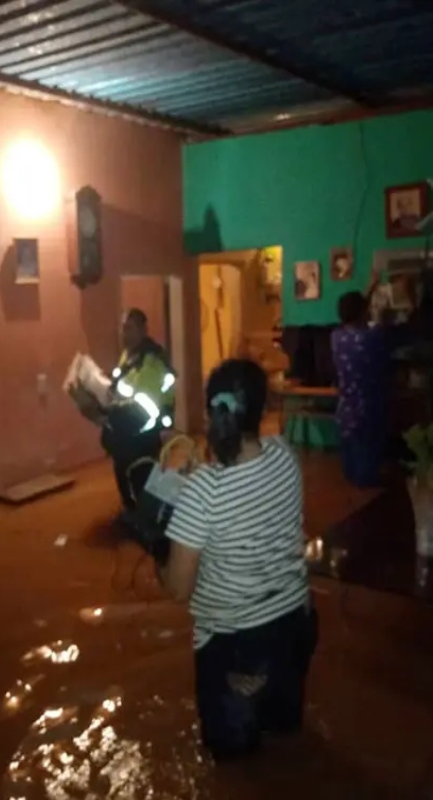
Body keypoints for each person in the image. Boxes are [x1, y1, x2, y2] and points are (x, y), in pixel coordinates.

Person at [159, 358, 316, 760]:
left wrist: (158, 544)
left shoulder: (200, 494)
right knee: (284, 734)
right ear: (263, 411)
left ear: (211, 411)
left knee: (234, 761)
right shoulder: (286, 455)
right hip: (296, 628)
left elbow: (178, 589)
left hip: (239, 651)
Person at [102, 309, 177, 512]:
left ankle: (158, 516)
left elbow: (148, 401)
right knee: (123, 470)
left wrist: (119, 407)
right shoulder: (128, 356)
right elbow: (123, 386)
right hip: (128, 426)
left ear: (143, 330)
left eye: (129, 328)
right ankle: (132, 510)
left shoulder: (152, 360)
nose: (123, 334)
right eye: (122, 328)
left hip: (145, 429)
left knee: (144, 477)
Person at [332, 263, 399, 487]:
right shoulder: (372, 337)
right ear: (363, 312)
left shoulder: (337, 336)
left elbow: (359, 318)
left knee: (351, 454)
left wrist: (370, 289)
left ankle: (355, 487)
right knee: (367, 462)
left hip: (346, 408)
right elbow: (385, 331)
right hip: (368, 409)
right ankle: (366, 496)